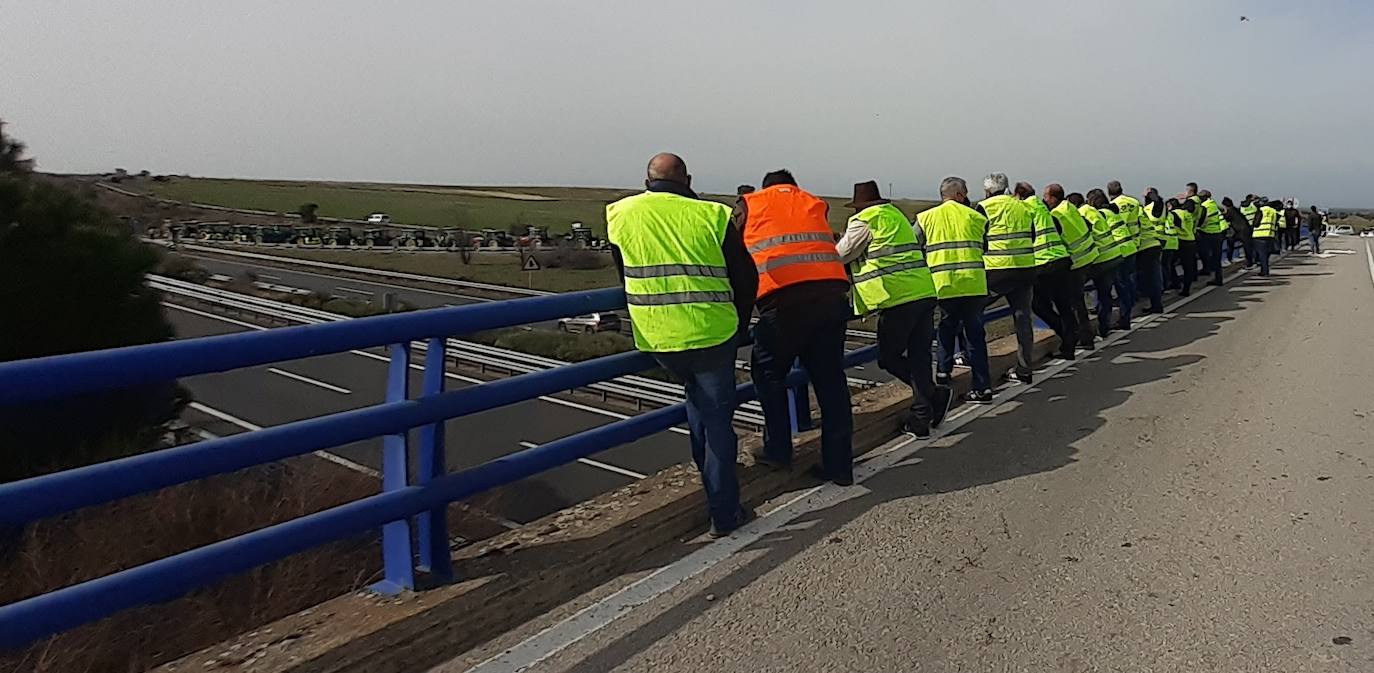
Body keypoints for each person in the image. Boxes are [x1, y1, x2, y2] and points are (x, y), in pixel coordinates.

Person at [606, 153, 757, 537]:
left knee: (698, 409)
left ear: (646, 181)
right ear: (687, 180)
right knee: (719, 424)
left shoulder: (620, 214)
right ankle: (724, 512)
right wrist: (738, 324)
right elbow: (746, 277)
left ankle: (711, 490)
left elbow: (623, 274)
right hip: (712, 334)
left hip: (657, 336)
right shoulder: (713, 214)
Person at [735, 170, 854, 485]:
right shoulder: (813, 202)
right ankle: (840, 466)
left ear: (766, 187)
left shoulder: (751, 203)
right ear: (793, 186)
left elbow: (735, 256)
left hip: (783, 302)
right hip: (831, 297)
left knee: (768, 374)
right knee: (831, 382)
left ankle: (778, 450)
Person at [836, 181, 950, 438]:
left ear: (859, 206)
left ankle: (931, 397)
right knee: (920, 356)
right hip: (923, 291)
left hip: (897, 297)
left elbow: (841, 255)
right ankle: (923, 413)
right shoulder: (895, 215)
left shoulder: (865, 220)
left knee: (888, 357)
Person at [918, 177, 994, 404]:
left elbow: (915, 245)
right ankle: (983, 388)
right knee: (975, 336)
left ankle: (942, 374)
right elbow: (985, 246)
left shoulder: (925, 218)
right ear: (960, 194)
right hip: (973, 283)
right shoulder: (977, 218)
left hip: (944, 284)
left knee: (945, 328)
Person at [977, 173, 1038, 383]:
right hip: (1025, 268)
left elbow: (979, 238)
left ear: (987, 191)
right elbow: (1033, 235)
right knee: (1023, 319)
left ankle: (977, 367)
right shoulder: (1022, 206)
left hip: (997, 269)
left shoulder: (984, 207)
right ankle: (1024, 368)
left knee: (973, 312)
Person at [1018, 181, 1078, 359]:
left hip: (1043, 264)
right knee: (1064, 305)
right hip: (1061, 259)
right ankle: (1070, 344)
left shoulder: (1023, 209)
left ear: (1019, 195)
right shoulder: (1044, 209)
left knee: (1037, 304)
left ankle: (1062, 330)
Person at [1045, 185, 1098, 350]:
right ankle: (1084, 335)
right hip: (1089, 255)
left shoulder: (1055, 214)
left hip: (1076, 261)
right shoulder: (1070, 206)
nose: (1045, 200)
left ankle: (1084, 338)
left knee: (1075, 303)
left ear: (1053, 198)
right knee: (1078, 301)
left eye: (1046, 197)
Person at [1082, 189, 1132, 334]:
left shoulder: (1094, 213)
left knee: (1108, 291)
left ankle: (1108, 323)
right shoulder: (1112, 211)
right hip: (1120, 251)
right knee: (1114, 291)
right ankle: (1115, 321)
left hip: (1107, 255)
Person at [1109, 181, 1147, 322]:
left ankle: (1125, 311)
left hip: (1119, 245)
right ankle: (1131, 302)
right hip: (1134, 242)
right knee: (1130, 277)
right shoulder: (1134, 202)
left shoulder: (1112, 206)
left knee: (1121, 281)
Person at [1133, 189, 1165, 314]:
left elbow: (1157, 204)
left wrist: (1153, 196)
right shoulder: (1145, 209)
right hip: (1155, 243)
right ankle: (1155, 303)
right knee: (1154, 277)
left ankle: (1156, 305)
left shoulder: (1153, 207)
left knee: (1151, 278)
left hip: (1147, 246)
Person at [1151, 188, 1180, 291]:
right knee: (1169, 265)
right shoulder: (1175, 215)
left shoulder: (1166, 214)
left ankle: (1166, 284)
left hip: (1163, 241)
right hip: (1174, 241)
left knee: (1164, 266)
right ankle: (1173, 283)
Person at [1197, 189, 1226, 286]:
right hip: (1217, 233)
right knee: (1217, 258)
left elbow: (1202, 220)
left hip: (1208, 234)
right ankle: (1218, 278)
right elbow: (1223, 210)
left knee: (1206, 255)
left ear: (1205, 197)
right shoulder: (1214, 204)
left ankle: (1208, 271)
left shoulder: (1205, 206)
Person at [1173, 196, 1200, 296]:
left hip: (1180, 242)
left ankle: (1175, 283)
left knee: (1170, 264)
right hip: (1191, 241)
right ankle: (1186, 289)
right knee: (1188, 268)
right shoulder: (1188, 214)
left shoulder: (1175, 213)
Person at [1252, 200, 1281, 276]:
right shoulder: (1274, 212)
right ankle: (1264, 270)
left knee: (1261, 254)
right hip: (1270, 234)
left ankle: (1265, 271)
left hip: (1259, 234)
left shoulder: (1261, 211)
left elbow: (1255, 223)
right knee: (1266, 254)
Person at [1238, 195, 1259, 268]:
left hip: (1244, 229)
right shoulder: (1253, 205)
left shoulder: (1241, 207)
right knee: (1256, 245)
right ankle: (1256, 260)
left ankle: (1249, 262)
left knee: (1247, 246)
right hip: (1254, 227)